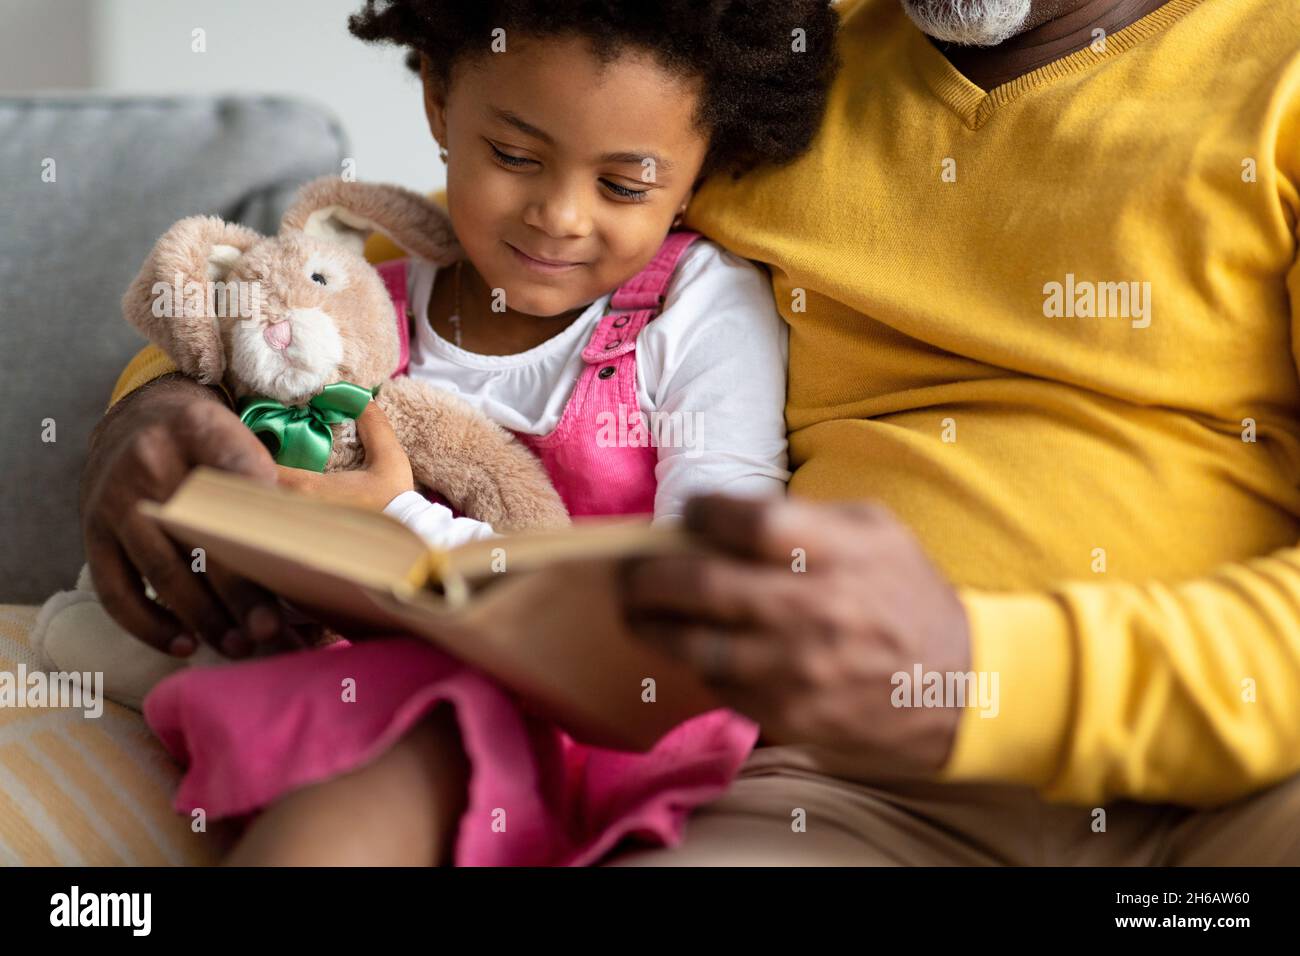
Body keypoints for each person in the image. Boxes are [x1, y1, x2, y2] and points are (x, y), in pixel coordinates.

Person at [84, 0, 1300, 866]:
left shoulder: (1275, 72)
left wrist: (983, 674)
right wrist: (156, 396)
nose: (577, 204)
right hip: (853, 784)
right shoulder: (779, 62)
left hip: (1253, 770)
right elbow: (448, 265)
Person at [99, 0, 840, 865]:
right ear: (441, 102)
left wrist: (407, 518)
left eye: (625, 186)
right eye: (515, 157)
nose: (560, 215)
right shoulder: (352, 308)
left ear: (703, 170)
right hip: (389, 698)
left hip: (607, 714)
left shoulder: (697, 304)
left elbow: (710, 572)